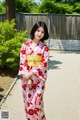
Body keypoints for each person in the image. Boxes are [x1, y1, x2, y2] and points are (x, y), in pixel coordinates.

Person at [18, 21, 49, 120]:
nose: (39, 33)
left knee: (36, 103)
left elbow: (43, 63)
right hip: (26, 79)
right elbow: (23, 62)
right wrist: (27, 78)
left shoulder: (44, 48)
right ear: (34, 31)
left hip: (39, 79)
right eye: (38, 31)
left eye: (42, 32)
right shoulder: (25, 45)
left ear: (44, 34)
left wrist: (31, 73)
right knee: (28, 103)